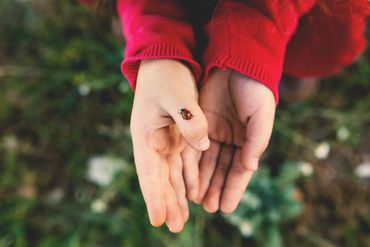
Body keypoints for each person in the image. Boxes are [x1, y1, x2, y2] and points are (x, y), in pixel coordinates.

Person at [98, 0, 369, 232]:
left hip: (296, 16)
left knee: (296, 76)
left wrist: (251, 49)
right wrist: (157, 44)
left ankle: (277, 69)